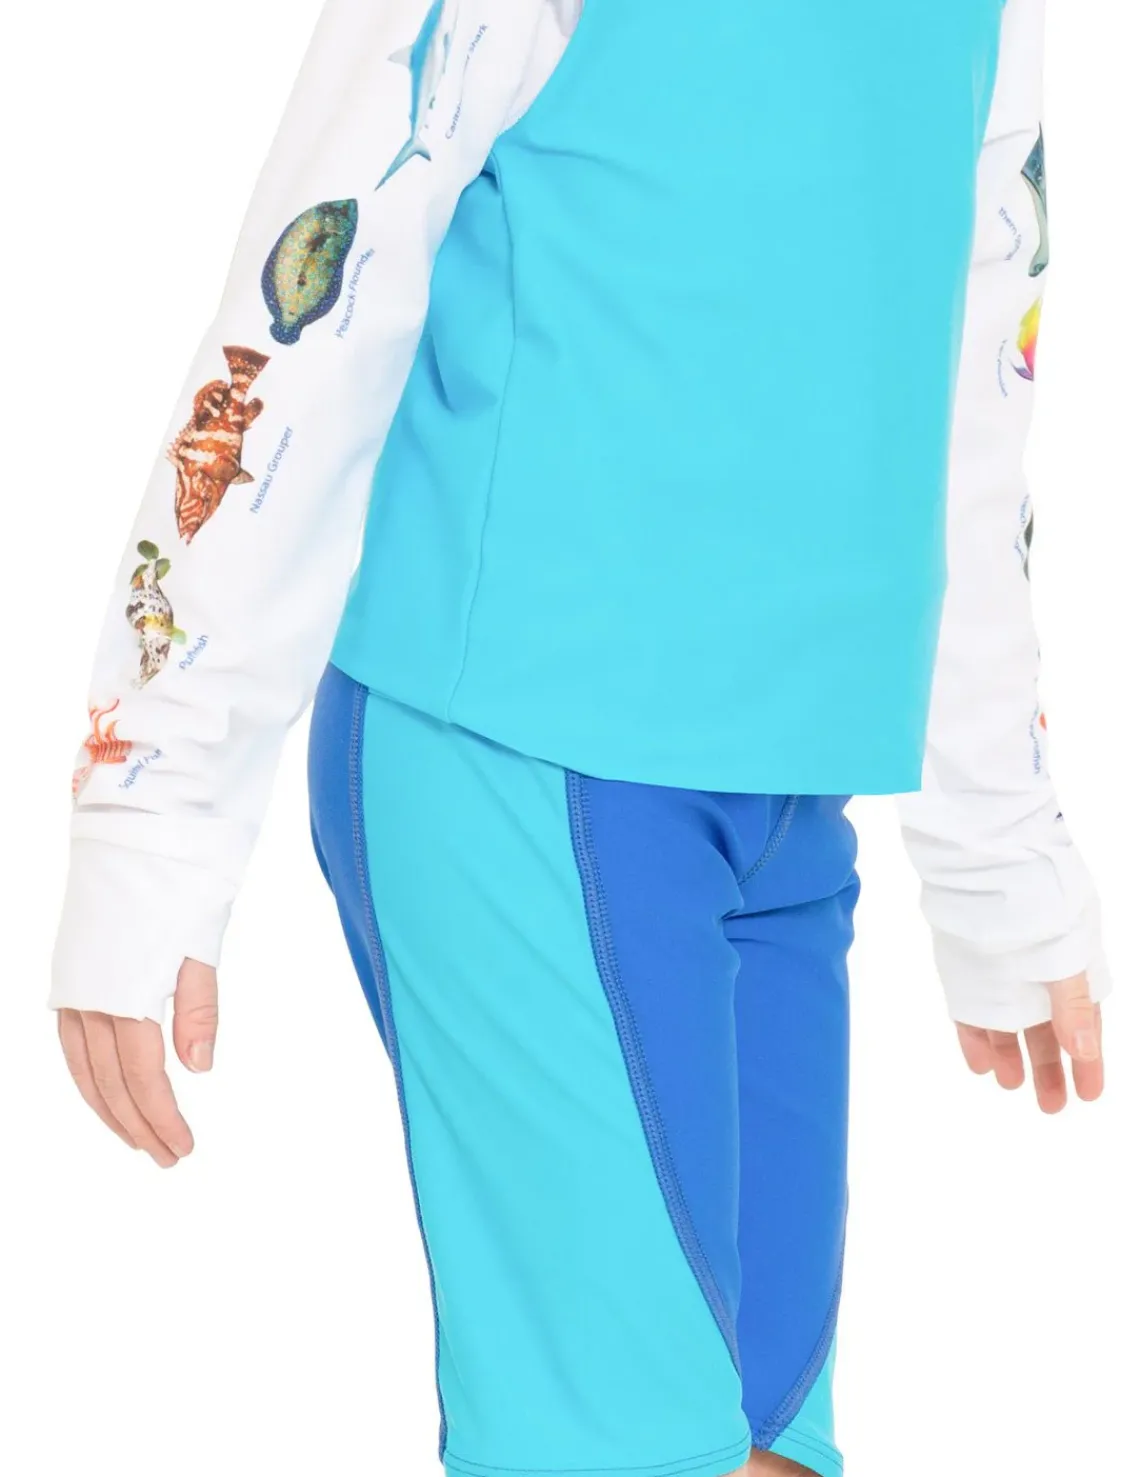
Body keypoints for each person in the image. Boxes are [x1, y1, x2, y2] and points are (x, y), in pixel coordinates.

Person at [50, 2, 1110, 1475]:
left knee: (762, 1442)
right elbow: (316, 295)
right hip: (521, 751)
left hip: (792, 800)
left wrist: (997, 840)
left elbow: (974, 387)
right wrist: (152, 793)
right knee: (618, 1448)